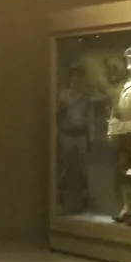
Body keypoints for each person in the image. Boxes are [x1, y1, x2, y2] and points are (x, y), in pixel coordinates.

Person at [107, 45, 131, 226]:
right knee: (125, 172)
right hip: (125, 136)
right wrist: (112, 129)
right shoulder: (125, 85)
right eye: (127, 58)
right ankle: (128, 208)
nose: (129, 63)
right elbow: (117, 110)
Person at [57, 64, 93, 213]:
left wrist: (90, 138)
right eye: (74, 77)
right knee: (63, 168)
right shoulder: (63, 96)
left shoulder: (85, 97)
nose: (76, 81)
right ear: (70, 79)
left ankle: (84, 202)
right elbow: (57, 115)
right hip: (66, 136)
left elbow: (89, 119)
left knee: (83, 170)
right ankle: (60, 202)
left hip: (81, 137)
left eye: (79, 77)